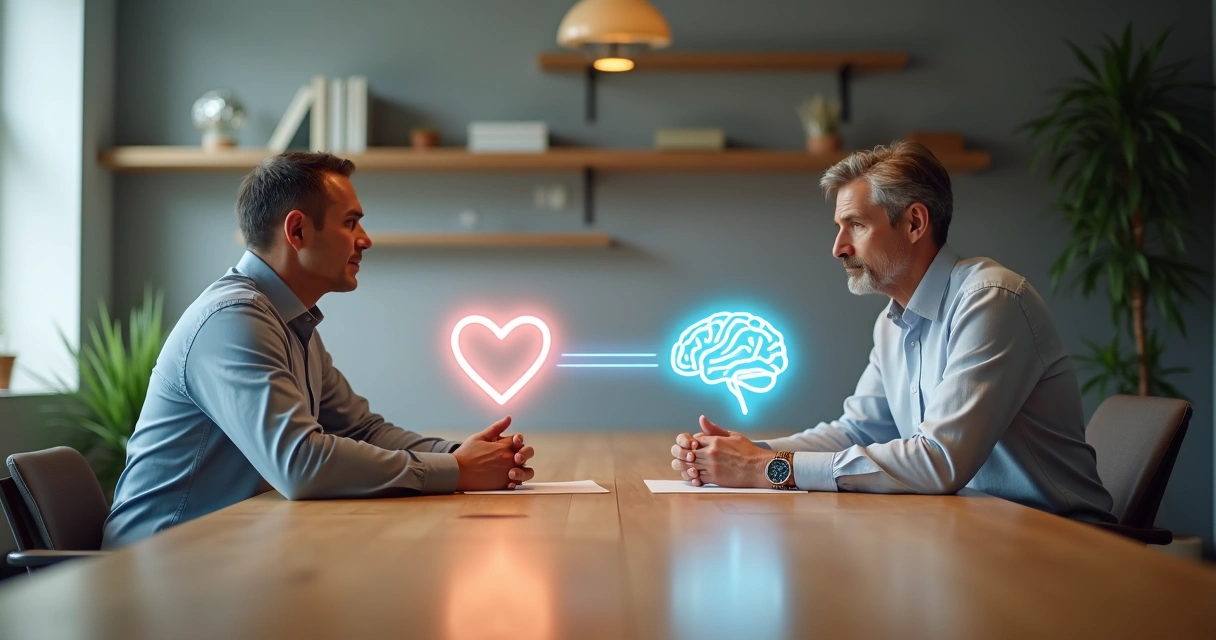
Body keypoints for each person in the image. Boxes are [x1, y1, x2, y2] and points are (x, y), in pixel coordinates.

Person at [103, 152, 535, 548]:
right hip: (158, 566)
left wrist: (460, 455)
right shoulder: (234, 319)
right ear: (297, 230)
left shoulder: (289, 318)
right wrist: (458, 472)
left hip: (225, 551)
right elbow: (299, 463)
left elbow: (361, 430)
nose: (365, 240)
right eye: (350, 222)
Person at [670, 141, 1114, 523]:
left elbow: (939, 462)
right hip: (977, 529)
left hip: (1059, 542)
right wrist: (742, 452)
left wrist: (767, 468)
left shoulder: (990, 299)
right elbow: (857, 433)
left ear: (915, 223)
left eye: (857, 225)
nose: (838, 248)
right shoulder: (892, 320)